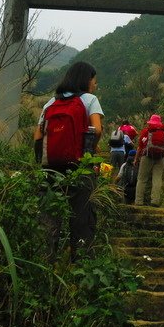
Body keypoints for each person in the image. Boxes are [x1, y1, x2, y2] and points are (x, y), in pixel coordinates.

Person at [33, 61, 103, 260]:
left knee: (47, 217)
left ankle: (43, 263)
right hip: (80, 166)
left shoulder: (50, 103)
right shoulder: (90, 100)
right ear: (87, 80)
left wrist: (46, 157)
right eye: (94, 80)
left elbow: (38, 136)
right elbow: (96, 129)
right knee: (82, 216)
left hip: (50, 168)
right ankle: (81, 266)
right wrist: (89, 149)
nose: (95, 85)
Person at [135, 113, 164, 207]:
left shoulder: (146, 131)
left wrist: (136, 159)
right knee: (157, 179)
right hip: (160, 158)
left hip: (147, 156)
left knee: (142, 179)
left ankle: (139, 201)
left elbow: (140, 147)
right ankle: (155, 201)